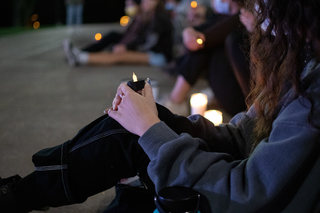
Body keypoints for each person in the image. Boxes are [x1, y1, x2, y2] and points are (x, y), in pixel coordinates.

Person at [1, 0, 320, 212]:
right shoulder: (303, 67)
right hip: (229, 183)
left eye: (263, 9)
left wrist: (151, 130)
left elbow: (245, 194)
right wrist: (166, 123)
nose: (256, 15)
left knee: (133, 189)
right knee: (126, 131)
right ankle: (21, 195)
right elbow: (241, 137)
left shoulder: (313, 96)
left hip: (228, 197)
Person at [161, 0, 249, 116]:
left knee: (204, 46)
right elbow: (201, 35)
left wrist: (192, 33)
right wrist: (189, 31)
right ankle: (176, 100)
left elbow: (203, 39)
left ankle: (176, 101)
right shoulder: (222, 16)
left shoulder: (245, 17)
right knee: (204, 44)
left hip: (243, 101)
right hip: (227, 90)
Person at [63, 0, 173, 68]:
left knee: (119, 56)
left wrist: (130, 48)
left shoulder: (160, 17)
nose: (145, 2)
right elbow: (142, 37)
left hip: (159, 57)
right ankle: (81, 55)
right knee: (117, 52)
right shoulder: (151, 16)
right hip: (153, 52)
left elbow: (150, 41)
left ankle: (80, 58)